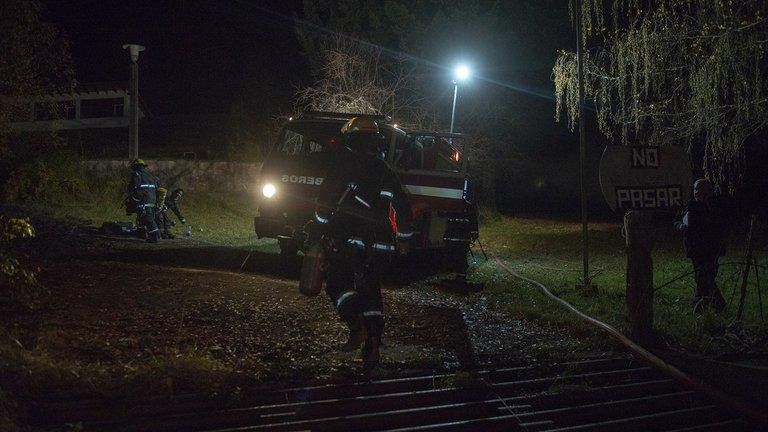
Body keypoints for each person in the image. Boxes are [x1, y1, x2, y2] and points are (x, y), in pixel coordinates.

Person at [313, 117, 414, 372]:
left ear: (350, 138)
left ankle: (356, 327)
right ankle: (374, 343)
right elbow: (402, 206)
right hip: (381, 244)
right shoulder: (385, 170)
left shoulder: (342, 165)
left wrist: (319, 227)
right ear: (375, 141)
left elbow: (324, 205)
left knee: (338, 284)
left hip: (348, 240)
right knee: (371, 289)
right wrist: (403, 239)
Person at [675, 178, 727, 311]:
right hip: (695, 248)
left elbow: (720, 227)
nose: (697, 193)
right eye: (696, 190)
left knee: (707, 275)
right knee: (702, 275)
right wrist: (680, 225)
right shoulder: (690, 205)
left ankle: (707, 303)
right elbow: (677, 219)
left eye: (701, 191)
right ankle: (708, 304)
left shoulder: (715, 207)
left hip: (711, 248)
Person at [127, 158, 160, 243]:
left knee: (145, 216)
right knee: (142, 215)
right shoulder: (150, 175)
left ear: (135, 166)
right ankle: (141, 233)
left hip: (143, 198)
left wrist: (131, 195)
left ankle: (154, 235)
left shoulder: (136, 174)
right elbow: (157, 188)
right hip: (153, 198)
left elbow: (133, 186)